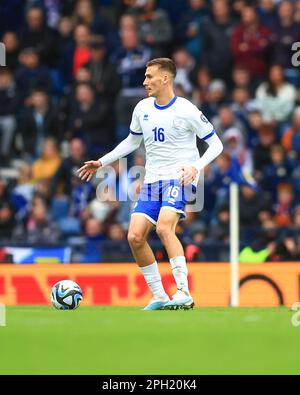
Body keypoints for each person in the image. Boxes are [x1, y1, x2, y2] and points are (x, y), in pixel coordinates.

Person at [78, 58, 223, 310]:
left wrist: (195, 167)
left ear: (165, 78)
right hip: (152, 180)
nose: (145, 82)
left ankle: (183, 292)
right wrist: (101, 162)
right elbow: (132, 142)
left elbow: (216, 144)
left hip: (179, 177)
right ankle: (159, 296)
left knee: (165, 228)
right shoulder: (142, 108)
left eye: (149, 77)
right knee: (134, 236)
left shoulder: (186, 110)